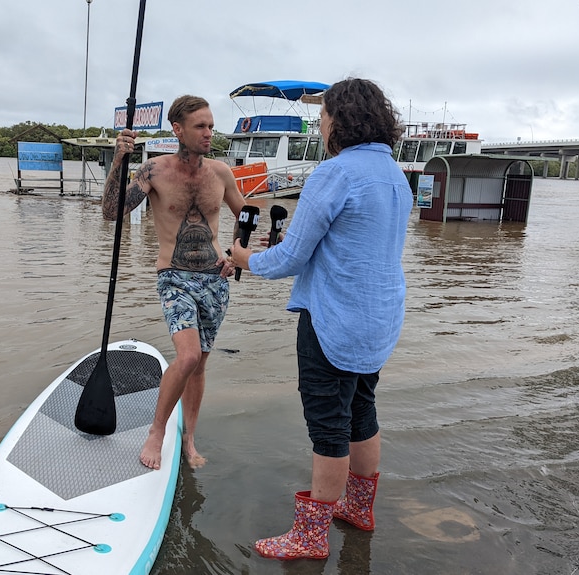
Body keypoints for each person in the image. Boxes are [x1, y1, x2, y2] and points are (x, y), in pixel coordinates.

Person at [230, 78, 413, 560]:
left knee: (328, 426)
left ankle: (310, 538)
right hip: (379, 318)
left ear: (341, 119)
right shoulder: (395, 174)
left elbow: (290, 257)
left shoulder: (334, 173)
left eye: (324, 115)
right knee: (361, 412)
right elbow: (351, 245)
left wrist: (244, 258)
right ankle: (358, 509)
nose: (321, 123)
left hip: (334, 320)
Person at [102, 95, 246, 470]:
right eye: (200, 126)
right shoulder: (154, 171)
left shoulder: (221, 173)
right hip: (173, 276)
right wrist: (119, 160)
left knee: (199, 366)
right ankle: (157, 431)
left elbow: (247, 218)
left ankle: (189, 437)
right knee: (187, 356)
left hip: (215, 281)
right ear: (177, 129)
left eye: (211, 126)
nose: (208, 133)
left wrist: (235, 257)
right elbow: (111, 213)